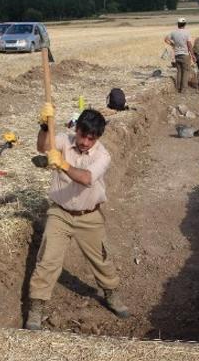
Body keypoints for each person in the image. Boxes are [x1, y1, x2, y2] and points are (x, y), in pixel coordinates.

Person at [25, 104, 130, 331]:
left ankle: (111, 293)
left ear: (98, 138)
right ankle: (36, 308)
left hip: (89, 216)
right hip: (60, 213)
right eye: (83, 135)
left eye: (91, 139)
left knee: (101, 260)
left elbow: (85, 178)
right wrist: (45, 126)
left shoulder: (103, 155)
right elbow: (42, 147)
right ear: (78, 130)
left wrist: (62, 164)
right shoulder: (64, 140)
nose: (85, 142)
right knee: (47, 261)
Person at [164, 18, 196, 93]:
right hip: (185, 54)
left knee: (179, 71)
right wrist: (193, 55)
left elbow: (165, 39)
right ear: (185, 24)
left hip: (177, 54)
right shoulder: (186, 33)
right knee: (185, 71)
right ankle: (184, 89)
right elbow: (189, 45)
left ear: (178, 24)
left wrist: (172, 44)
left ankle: (178, 87)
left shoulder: (173, 32)